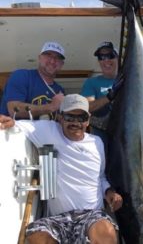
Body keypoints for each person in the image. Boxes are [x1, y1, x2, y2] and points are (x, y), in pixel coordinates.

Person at [0, 94, 123, 243]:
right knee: (36, 236)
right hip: (58, 219)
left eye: (81, 118)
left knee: (105, 231)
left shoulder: (97, 143)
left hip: (92, 215)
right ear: (60, 117)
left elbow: (101, 177)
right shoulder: (48, 130)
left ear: (88, 120)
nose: (76, 123)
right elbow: (18, 125)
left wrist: (110, 192)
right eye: (70, 117)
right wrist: (10, 122)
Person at [0, 41, 65, 120]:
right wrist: (50, 107)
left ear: (61, 64)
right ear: (39, 58)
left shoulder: (60, 90)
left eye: (57, 58)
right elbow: (14, 109)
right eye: (48, 55)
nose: (52, 61)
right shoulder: (22, 76)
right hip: (16, 131)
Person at [80, 41, 119, 147]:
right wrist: (108, 97)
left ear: (117, 58)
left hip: (127, 133)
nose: (106, 60)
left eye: (110, 55)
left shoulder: (130, 79)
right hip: (101, 140)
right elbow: (86, 107)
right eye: (101, 57)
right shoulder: (91, 82)